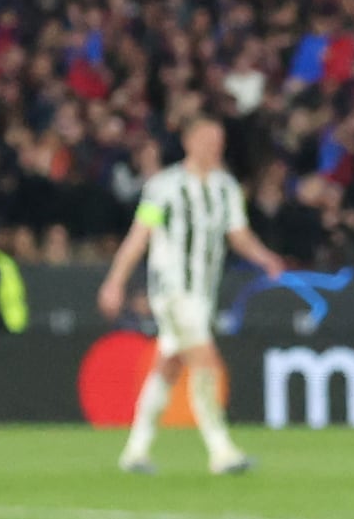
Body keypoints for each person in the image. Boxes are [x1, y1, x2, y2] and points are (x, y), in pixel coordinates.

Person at [102, 112, 283, 476]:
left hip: (202, 293)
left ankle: (135, 451)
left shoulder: (226, 188)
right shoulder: (164, 187)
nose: (214, 147)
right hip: (173, 290)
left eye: (218, 141)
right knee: (206, 361)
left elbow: (238, 235)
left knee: (168, 366)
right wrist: (115, 281)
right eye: (206, 140)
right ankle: (222, 451)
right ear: (188, 142)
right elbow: (140, 235)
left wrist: (266, 258)